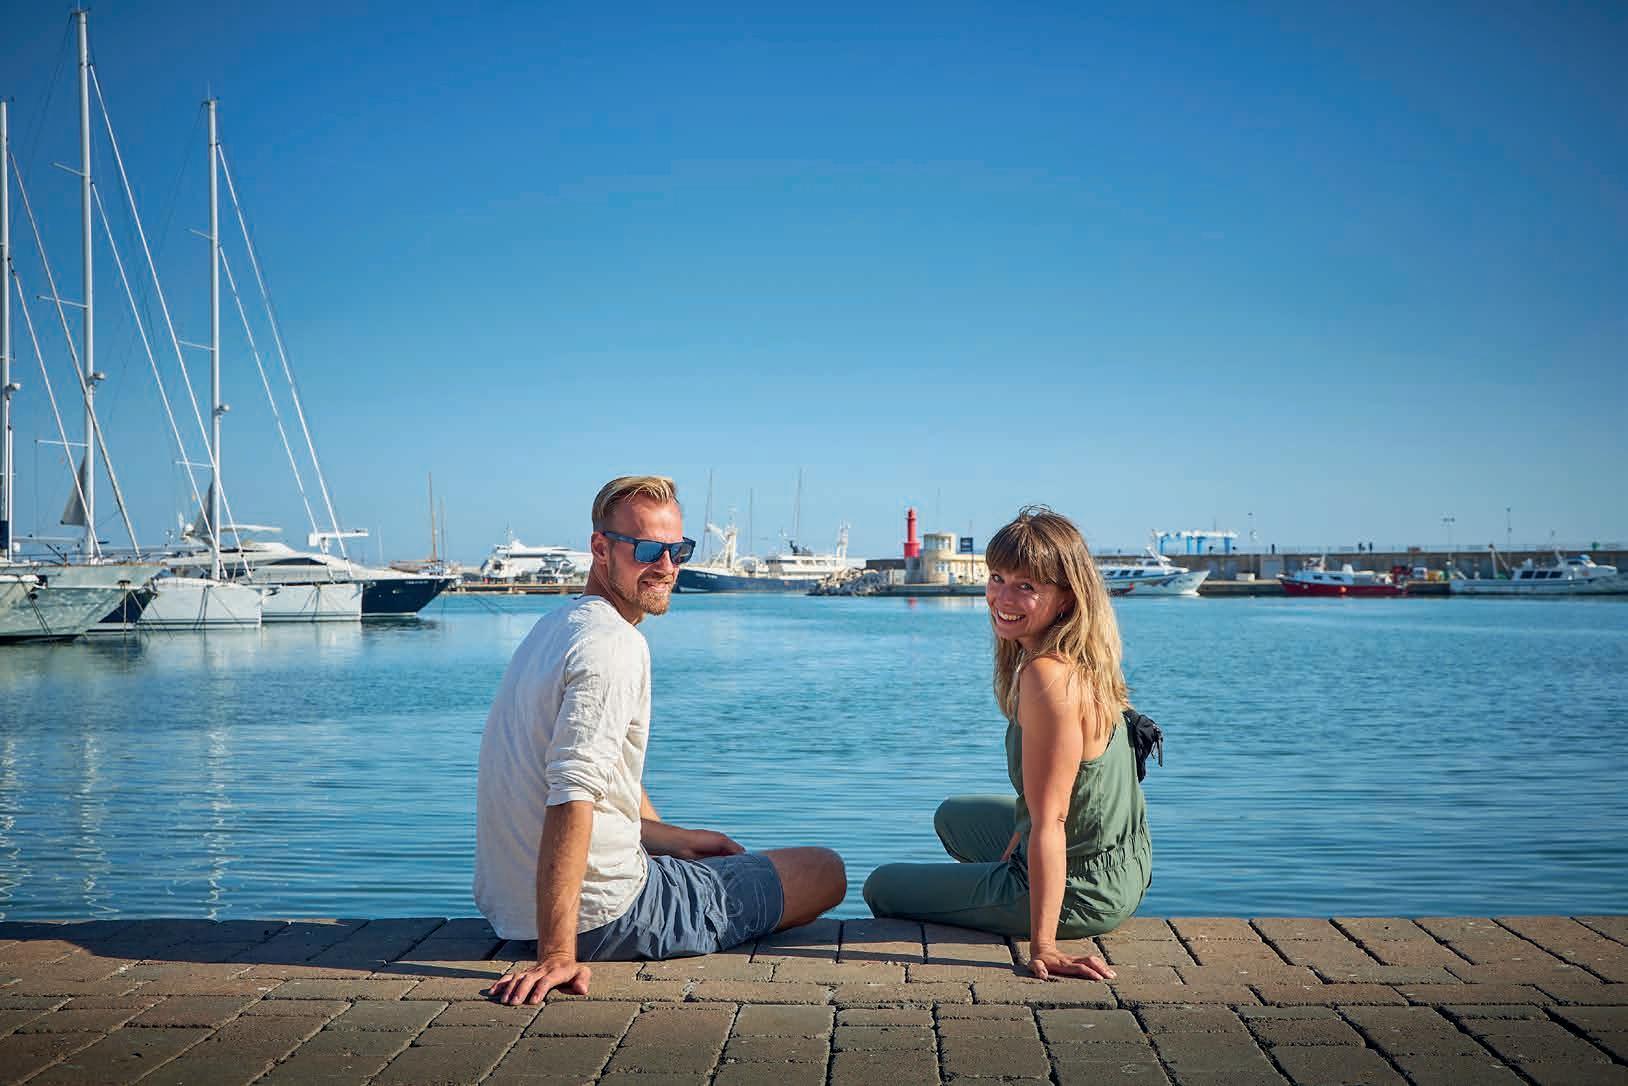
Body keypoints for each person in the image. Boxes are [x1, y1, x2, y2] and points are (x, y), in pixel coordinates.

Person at [477, 475, 846, 1005]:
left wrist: (671, 838)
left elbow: (596, 775)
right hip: (606, 916)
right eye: (649, 550)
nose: (668, 566)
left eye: (679, 550)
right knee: (823, 870)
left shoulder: (551, 629)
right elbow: (572, 792)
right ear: (600, 548)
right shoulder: (613, 646)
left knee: (707, 858)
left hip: (512, 917)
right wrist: (558, 954)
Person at [863, 505, 1151, 981]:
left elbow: (1052, 820)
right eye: (997, 578)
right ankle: (1011, 881)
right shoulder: (1080, 656)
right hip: (1126, 860)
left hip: (1087, 890)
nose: (1002, 597)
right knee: (953, 816)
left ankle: (1029, 900)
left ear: (1066, 597)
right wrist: (1019, 839)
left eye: (1026, 586)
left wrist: (1044, 947)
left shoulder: (1046, 677)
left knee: (881, 886)